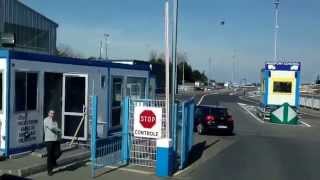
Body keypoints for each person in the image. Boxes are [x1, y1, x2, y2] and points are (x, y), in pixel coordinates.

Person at [44, 110, 61, 176]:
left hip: (56, 140)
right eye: (51, 113)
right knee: (50, 155)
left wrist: (59, 134)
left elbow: (57, 130)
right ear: (48, 114)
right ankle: (49, 170)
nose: (52, 114)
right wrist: (60, 131)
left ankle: (53, 161)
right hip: (49, 140)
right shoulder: (46, 120)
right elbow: (52, 128)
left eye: (53, 113)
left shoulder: (55, 121)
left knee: (58, 153)